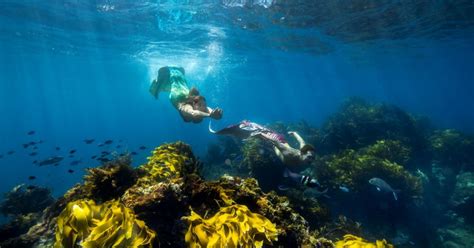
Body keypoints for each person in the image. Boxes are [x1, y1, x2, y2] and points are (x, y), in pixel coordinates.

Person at [150, 66, 223, 123]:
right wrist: (214, 114)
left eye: (201, 105)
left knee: (174, 81)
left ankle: (157, 87)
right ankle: (162, 84)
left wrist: (210, 115)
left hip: (176, 96)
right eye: (204, 105)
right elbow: (209, 111)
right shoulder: (201, 107)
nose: (204, 106)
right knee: (181, 81)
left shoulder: (185, 108)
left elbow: (194, 113)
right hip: (184, 92)